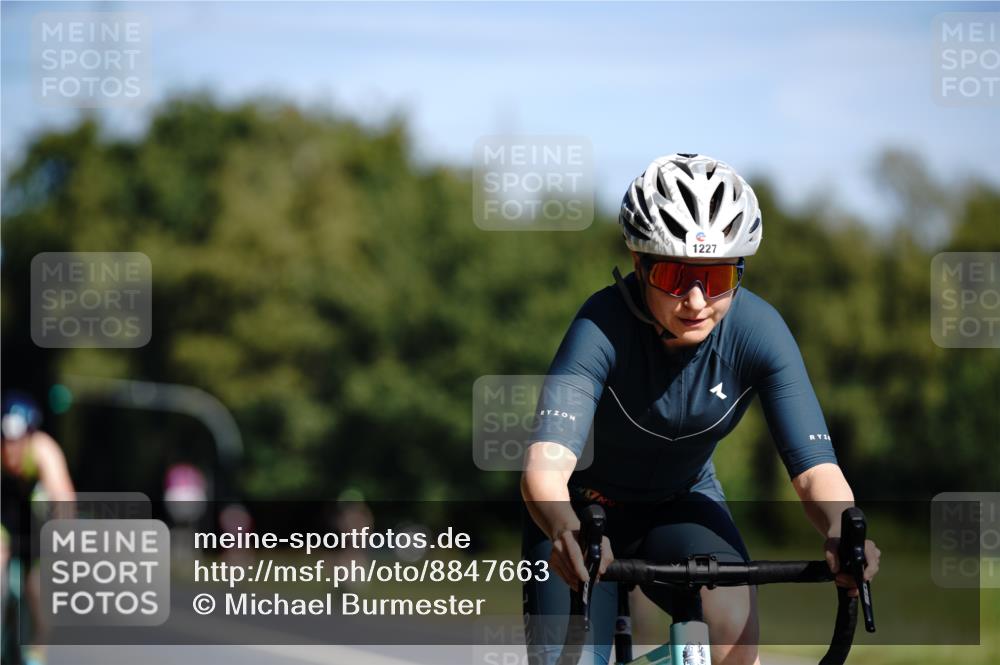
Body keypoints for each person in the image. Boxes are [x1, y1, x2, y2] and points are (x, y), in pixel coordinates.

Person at [520, 154, 881, 665]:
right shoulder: (599, 327)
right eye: (673, 275)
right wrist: (561, 528)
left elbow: (816, 471)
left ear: (740, 271)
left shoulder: (759, 331)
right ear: (640, 264)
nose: (694, 301)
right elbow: (543, 469)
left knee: (733, 614)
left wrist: (844, 531)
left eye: (714, 279)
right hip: (581, 514)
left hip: (681, 501)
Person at [1, 391, 75, 665]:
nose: (12, 450)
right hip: (4, 515)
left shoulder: (45, 450)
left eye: (18, 442)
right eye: (6, 442)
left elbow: (64, 498)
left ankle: (37, 648)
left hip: (35, 520)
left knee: (40, 589)